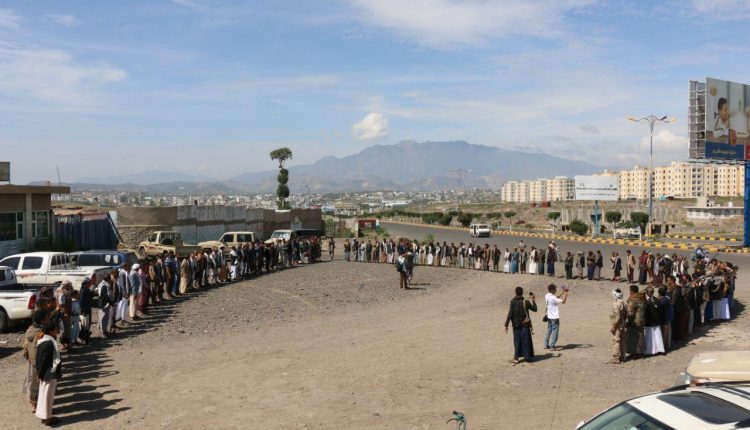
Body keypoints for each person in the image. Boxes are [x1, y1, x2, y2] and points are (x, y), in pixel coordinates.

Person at [36, 320, 62, 426]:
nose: (57, 331)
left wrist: (40, 374)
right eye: (56, 329)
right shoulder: (49, 343)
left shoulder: (43, 340)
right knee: (48, 396)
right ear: (51, 331)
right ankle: (47, 418)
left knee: (44, 395)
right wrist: (41, 374)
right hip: (49, 374)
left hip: (45, 374)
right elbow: (44, 362)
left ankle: (44, 416)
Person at [23, 308, 48, 413]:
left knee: (32, 380)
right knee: (38, 382)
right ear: (42, 320)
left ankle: (32, 402)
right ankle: (36, 404)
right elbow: (41, 349)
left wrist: (27, 356)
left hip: (30, 359)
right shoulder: (41, 333)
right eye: (46, 318)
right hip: (38, 361)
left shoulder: (30, 329)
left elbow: (25, 345)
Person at [504, 287, 537, 364]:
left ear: (516, 292)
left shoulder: (513, 302)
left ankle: (516, 358)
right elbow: (535, 309)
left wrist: (506, 325)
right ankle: (527, 357)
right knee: (525, 341)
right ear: (522, 293)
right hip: (525, 324)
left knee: (517, 342)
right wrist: (533, 300)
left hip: (516, 325)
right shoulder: (526, 302)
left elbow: (510, 314)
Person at [544, 284, 568, 351]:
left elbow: (556, 298)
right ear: (552, 290)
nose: (555, 290)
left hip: (549, 316)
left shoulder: (547, 295)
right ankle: (552, 346)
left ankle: (546, 344)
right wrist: (566, 294)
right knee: (555, 331)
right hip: (554, 317)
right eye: (555, 289)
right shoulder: (553, 298)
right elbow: (563, 302)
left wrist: (562, 293)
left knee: (549, 330)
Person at [643, 286, 665, 356]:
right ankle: (656, 350)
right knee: (655, 336)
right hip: (653, 321)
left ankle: (652, 350)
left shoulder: (651, 301)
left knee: (651, 336)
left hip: (651, 321)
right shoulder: (655, 300)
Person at [609, 288, 627, 364]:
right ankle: (623, 357)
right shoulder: (624, 303)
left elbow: (617, 317)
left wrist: (614, 326)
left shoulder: (616, 304)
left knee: (616, 340)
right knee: (622, 340)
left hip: (618, 324)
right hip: (623, 323)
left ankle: (615, 358)